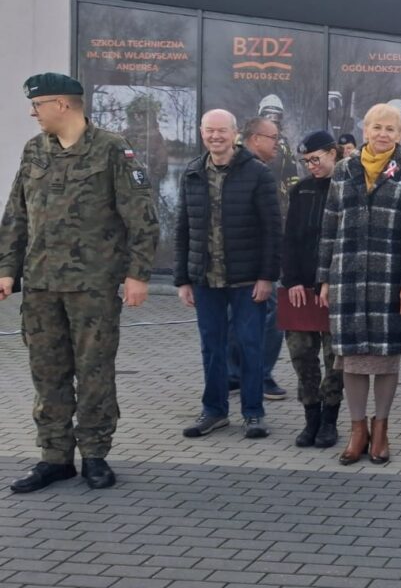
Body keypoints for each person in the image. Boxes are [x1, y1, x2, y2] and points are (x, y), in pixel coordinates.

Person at [0, 73, 160, 493]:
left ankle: (94, 455)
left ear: (62, 105)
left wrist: (138, 274)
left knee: (94, 373)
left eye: (38, 105)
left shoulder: (111, 149)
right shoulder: (34, 149)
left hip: (93, 286)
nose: (33, 113)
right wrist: (6, 269)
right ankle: (55, 458)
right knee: (47, 372)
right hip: (41, 285)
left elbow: (142, 217)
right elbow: (16, 213)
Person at [318, 103, 401, 466]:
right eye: (377, 127)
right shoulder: (344, 169)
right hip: (347, 277)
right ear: (365, 130)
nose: (383, 134)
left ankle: (380, 430)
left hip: (388, 280)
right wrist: (324, 278)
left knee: (385, 359)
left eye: (391, 129)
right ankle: (357, 430)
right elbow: (329, 226)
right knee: (350, 359)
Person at [177, 109, 281, 441]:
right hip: (205, 279)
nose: (215, 136)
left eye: (222, 130)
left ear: (234, 133)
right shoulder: (192, 172)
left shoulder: (258, 173)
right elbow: (183, 228)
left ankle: (253, 413)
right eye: (209, 130)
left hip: (247, 279)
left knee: (250, 346)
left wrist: (267, 277)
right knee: (212, 347)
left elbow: (272, 230)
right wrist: (182, 279)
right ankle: (214, 411)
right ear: (201, 133)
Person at [281, 130, 344, 449]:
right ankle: (311, 418)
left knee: (335, 359)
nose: (311, 166)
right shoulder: (301, 190)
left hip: (335, 288)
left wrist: (330, 281)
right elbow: (290, 238)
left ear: (333, 153)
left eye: (315, 159)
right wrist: (291, 280)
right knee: (302, 356)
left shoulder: (347, 187)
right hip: (302, 288)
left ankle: (330, 422)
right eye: (306, 161)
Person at [229, 116, 287, 403]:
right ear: (255, 139)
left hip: (250, 261)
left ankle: (235, 375)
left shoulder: (253, 168)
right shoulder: (248, 170)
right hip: (250, 261)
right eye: (273, 137)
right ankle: (257, 375)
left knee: (240, 316)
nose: (277, 143)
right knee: (273, 312)